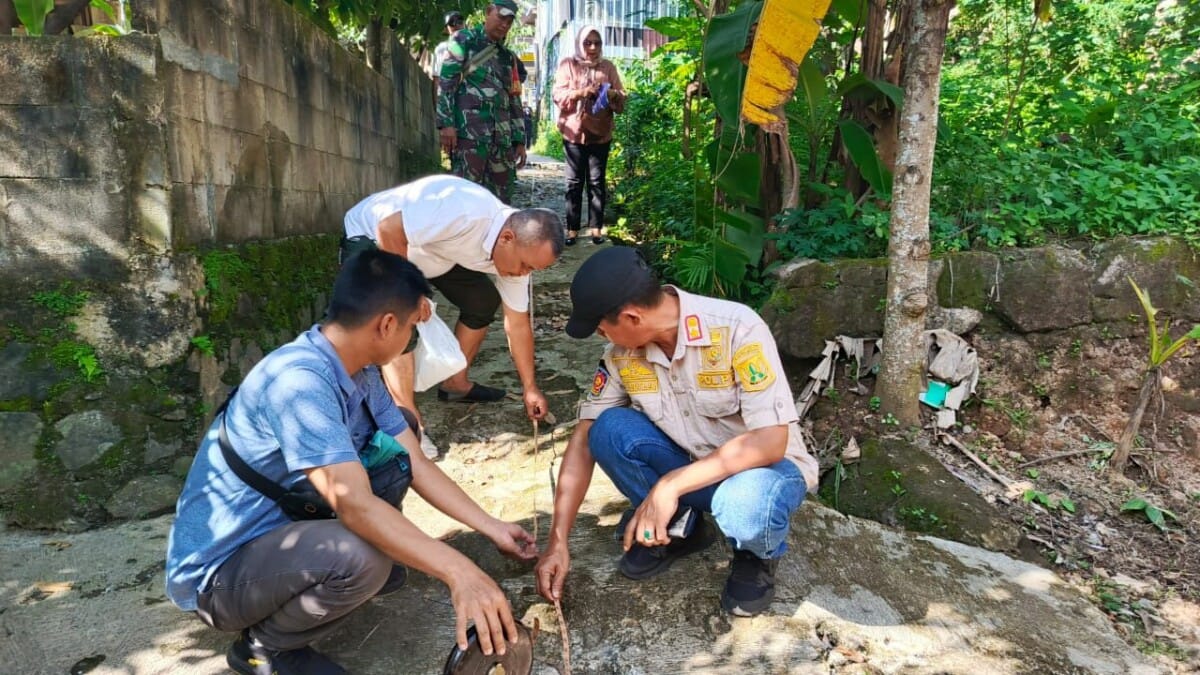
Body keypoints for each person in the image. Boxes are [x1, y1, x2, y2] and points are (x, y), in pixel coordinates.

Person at [166, 249, 537, 675]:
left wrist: (492, 528)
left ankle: (342, 566)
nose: (410, 344)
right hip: (219, 577)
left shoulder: (357, 368)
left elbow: (413, 461)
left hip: (283, 530)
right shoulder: (300, 383)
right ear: (386, 325)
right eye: (412, 330)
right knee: (362, 557)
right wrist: (460, 573)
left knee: (402, 428)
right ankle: (264, 648)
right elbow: (354, 504)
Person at [534, 247, 819, 617]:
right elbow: (585, 436)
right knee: (606, 430)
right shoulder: (620, 355)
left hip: (760, 473)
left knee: (748, 506)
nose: (601, 335)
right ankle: (681, 526)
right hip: (691, 467)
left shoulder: (737, 329)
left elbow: (770, 442)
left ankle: (756, 555)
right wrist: (558, 540)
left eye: (602, 326)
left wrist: (668, 486)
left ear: (632, 316)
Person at [342, 175, 562, 457]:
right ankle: (409, 426)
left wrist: (530, 387)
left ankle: (455, 384)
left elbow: (517, 325)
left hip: (433, 252)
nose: (523, 274)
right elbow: (389, 229)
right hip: (373, 236)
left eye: (532, 270)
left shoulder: (516, 256)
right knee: (399, 314)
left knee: (482, 300)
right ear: (507, 238)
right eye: (524, 266)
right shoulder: (464, 210)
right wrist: (412, 292)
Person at [437, 0, 526, 203]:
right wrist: (446, 124)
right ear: (488, 12)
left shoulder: (507, 57)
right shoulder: (464, 40)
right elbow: (446, 83)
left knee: (501, 202)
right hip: (470, 135)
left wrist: (519, 139)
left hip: (502, 141)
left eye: (509, 21)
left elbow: (513, 98)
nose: (504, 24)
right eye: (501, 17)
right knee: (465, 198)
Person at [552, 25, 626, 246]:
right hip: (573, 133)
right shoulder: (568, 65)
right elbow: (558, 94)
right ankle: (572, 229)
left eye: (597, 43)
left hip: (600, 134)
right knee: (574, 182)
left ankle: (596, 229)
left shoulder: (608, 67)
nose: (592, 47)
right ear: (579, 44)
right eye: (587, 42)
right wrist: (581, 93)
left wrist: (612, 94)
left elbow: (622, 96)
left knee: (596, 182)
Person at [432, 10, 466, 91]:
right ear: (446, 29)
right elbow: (437, 79)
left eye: (460, 21)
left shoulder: (474, 44)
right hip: (450, 97)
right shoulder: (442, 48)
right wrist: (437, 103)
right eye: (452, 22)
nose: (457, 25)